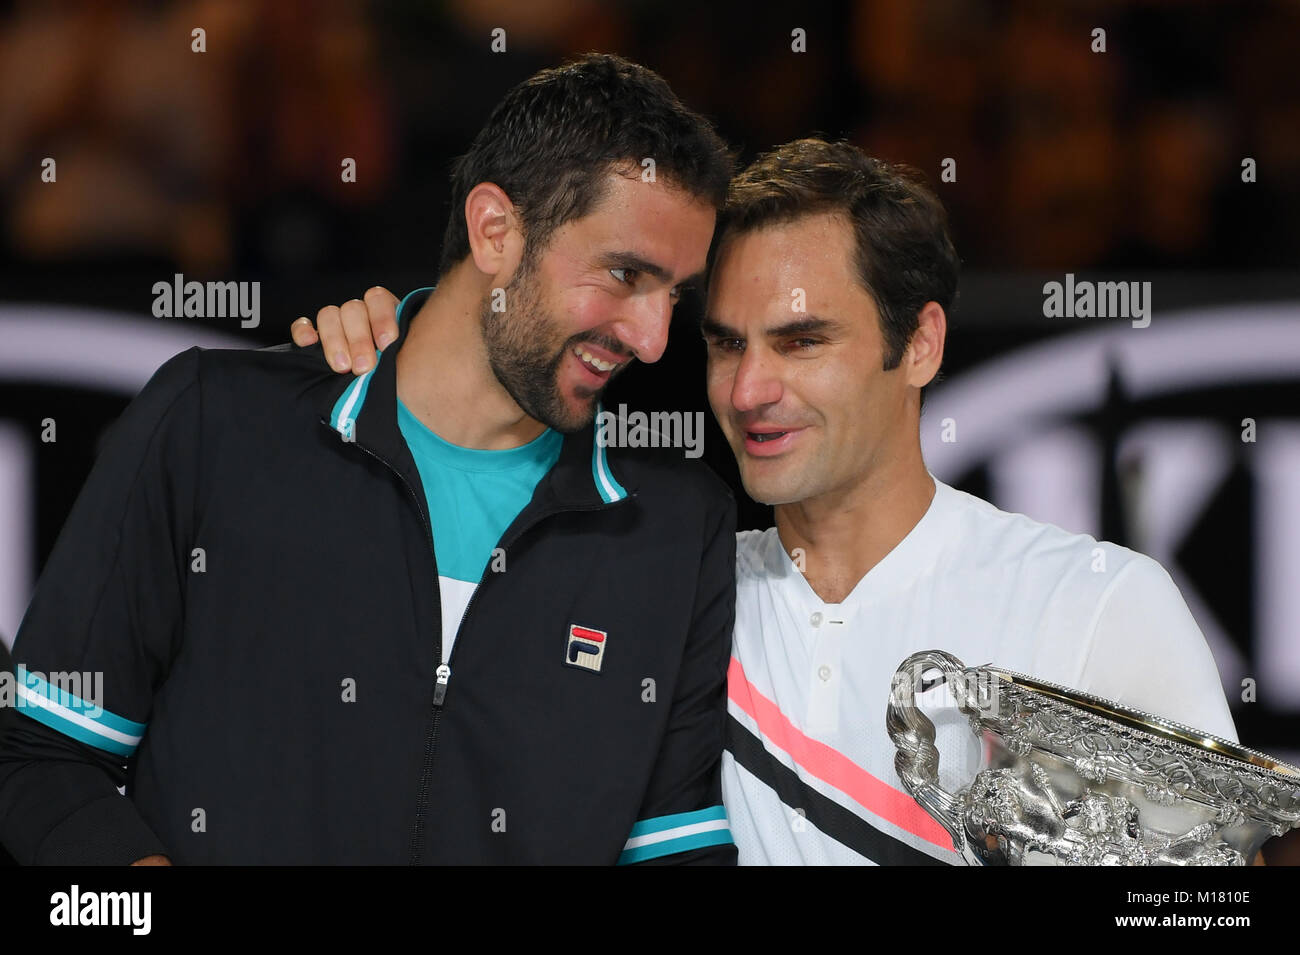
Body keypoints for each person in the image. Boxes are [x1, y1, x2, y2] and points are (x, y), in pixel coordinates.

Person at [300, 138, 1239, 865]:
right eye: (725, 344)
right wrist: (402, 347)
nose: (748, 391)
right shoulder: (666, 586)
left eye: (800, 342)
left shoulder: (1096, 606)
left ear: (919, 345)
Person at [0, 54, 739, 865]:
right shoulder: (215, 423)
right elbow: (41, 757)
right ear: (495, 229)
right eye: (625, 274)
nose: (653, 336)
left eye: (675, 293)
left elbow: (673, 851)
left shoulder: (678, 524)